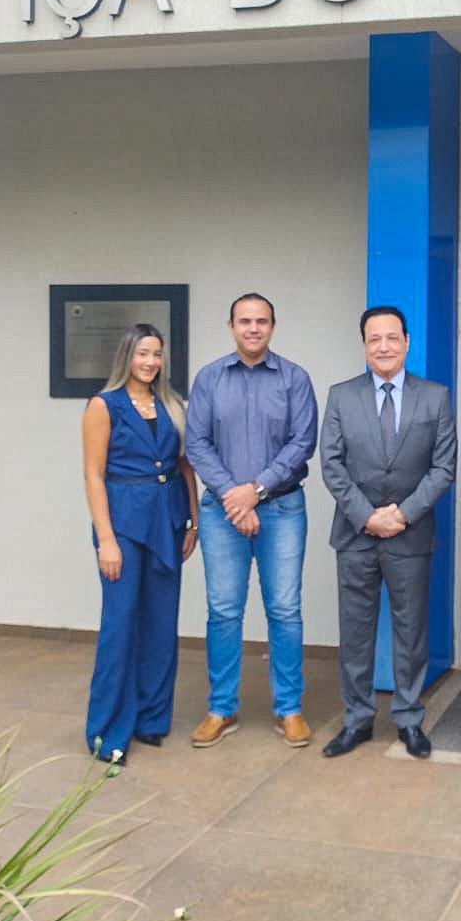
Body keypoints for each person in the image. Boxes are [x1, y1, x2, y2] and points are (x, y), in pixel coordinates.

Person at [318, 306, 457, 759]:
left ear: (406, 342)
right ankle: (357, 719)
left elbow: (443, 467)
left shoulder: (435, 397)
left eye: (392, 338)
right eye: (374, 338)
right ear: (363, 345)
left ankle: (409, 718)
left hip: (410, 535)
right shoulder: (341, 396)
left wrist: (404, 514)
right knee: (355, 632)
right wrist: (367, 515)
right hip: (356, 534)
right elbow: (332, 465)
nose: (383, 346)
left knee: (410, 631)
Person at [184, 293, 319, 750]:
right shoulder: (208, 379)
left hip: (281, 508)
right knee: (223, 611)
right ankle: (222, 708)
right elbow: (197, 443)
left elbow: (302, 443)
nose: (253, 328)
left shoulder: (295, 379)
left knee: (284, 610)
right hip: (223, 513)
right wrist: (233, 496)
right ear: (231, 326)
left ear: (273, 327)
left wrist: (255, 490)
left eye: (262, 321)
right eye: (245, 321)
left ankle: (290, 710)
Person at [80, 323, 197, 765]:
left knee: (162, 625)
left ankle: (151, 720)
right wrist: (106, 540)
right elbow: (93, 475)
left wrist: (192, 521)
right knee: (120, 626)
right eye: (142, 353)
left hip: (167, 520)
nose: (150, 362)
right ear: (126, 357)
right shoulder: (102, 406)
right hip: (124, 525)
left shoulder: (171, 404)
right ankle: (107, 732)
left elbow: (185, 466)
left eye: (156, 355)